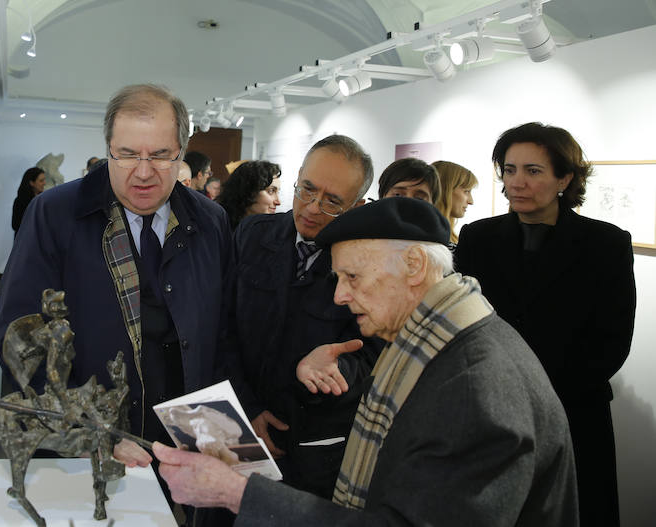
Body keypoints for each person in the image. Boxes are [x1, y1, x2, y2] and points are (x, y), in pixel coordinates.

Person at [154, 197, 579, 526]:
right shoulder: (440, 345)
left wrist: (237, 493)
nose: (339, 295)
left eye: (352, 278)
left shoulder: (472, 388)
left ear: (414, 265)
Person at [0, 84, 232, 459]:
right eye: (125, 155)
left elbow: (221, 336)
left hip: (184, 443)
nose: (142, 173)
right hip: (88, 444)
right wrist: (92, 436)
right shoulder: (53, 214)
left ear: (181, 154)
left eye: (159, 156)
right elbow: (23, 345)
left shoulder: (211, 222)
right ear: (108, 148)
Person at [456, 122, 635, 526]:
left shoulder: (605, 244)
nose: (517, 182)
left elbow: (611, 341)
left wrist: (537, 393)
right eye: (509, 169)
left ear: (565, 178)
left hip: (572, 412)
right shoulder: (477, 238)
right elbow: (464, 323)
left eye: (533, 171)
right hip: (490, 408)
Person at [221, 135, 383, 500]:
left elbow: (372, 353)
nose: (312, 207)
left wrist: (330, 372)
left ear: (357, 205)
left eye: (332, 202)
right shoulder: (252, 233)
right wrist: (249, 407)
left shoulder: (368, 264)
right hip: (237, 423)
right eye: (307, 189)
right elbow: (223, 327)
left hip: (308, 445)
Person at [215, 160, 281, 229]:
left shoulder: (271, 232)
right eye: (271, 191)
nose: (278, 202)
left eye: (277, 192)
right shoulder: (217, 228)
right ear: (248, 191)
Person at [432, 160, 477, 248]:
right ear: (445, 190)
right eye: (466, 191)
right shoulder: (428, 241)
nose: (471, 201)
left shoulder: (447, 237)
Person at [11, 167, 46, 235]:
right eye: (41, 181)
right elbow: (15, 225)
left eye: (44, 180)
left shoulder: (43, 200)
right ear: (31, 183)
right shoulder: (20, 202)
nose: (44, 183)